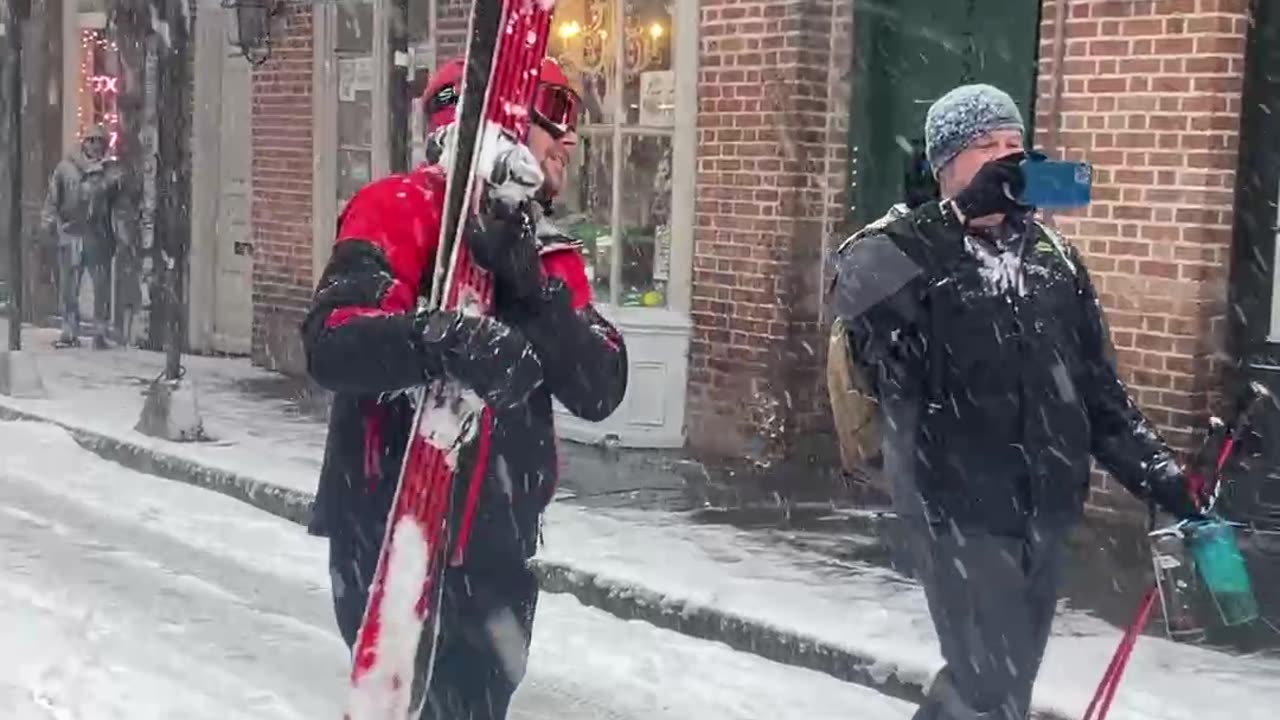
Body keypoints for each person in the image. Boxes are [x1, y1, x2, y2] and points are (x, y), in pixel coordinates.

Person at [830, 84, 1204, 720]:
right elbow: (862, 312)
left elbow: (1097, 393)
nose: (1007, 158)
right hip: (958, 511)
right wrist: (955, 222)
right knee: (986, 684)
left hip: (1047, 512)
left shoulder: (1054, 261)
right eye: (986, 147)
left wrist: (1158, 474)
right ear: (946, 165)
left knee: (1003, 687)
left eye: (1015, 145)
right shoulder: (899, 248)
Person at [301, 56, 628, 720]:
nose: (571, 137)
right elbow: (332, 337)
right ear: (500, 118)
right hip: (395, 528)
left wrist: (532, 292)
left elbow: (600, 386)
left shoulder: (550, 255)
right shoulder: (398, 208)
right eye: (557, 112)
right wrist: (446, 340)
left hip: (500, 548)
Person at [40, 124, 129, 349]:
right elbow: (53, 198)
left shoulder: (112, 171)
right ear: (83, 143)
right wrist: (48, 222)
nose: (94, 145)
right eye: (90, 140)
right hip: (71, 231)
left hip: (99, 235)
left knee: (101, 287)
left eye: (99, 141)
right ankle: (70, 329)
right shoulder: (65, 168)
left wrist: (123, 232)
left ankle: (100, 331)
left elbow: (120, 206)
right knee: (69, 286)